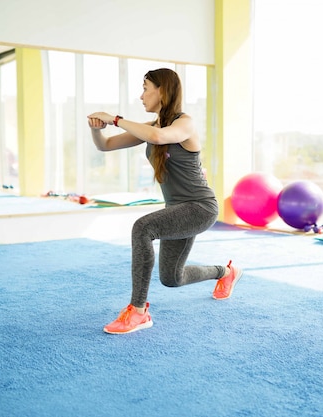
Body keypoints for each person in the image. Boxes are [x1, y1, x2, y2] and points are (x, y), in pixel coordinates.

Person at [88, 68, 242, 335]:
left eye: (146, 88)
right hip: (178, 210)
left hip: (199, 208)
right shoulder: (151, 127)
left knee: (143, 228)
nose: (141, 95)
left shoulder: (185, 123)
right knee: (172, 278)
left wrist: (114, 118)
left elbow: (159, 138)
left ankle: (138, 312)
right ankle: (225, 272)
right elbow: (105, 146)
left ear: (162, 90)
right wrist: (96, 128)